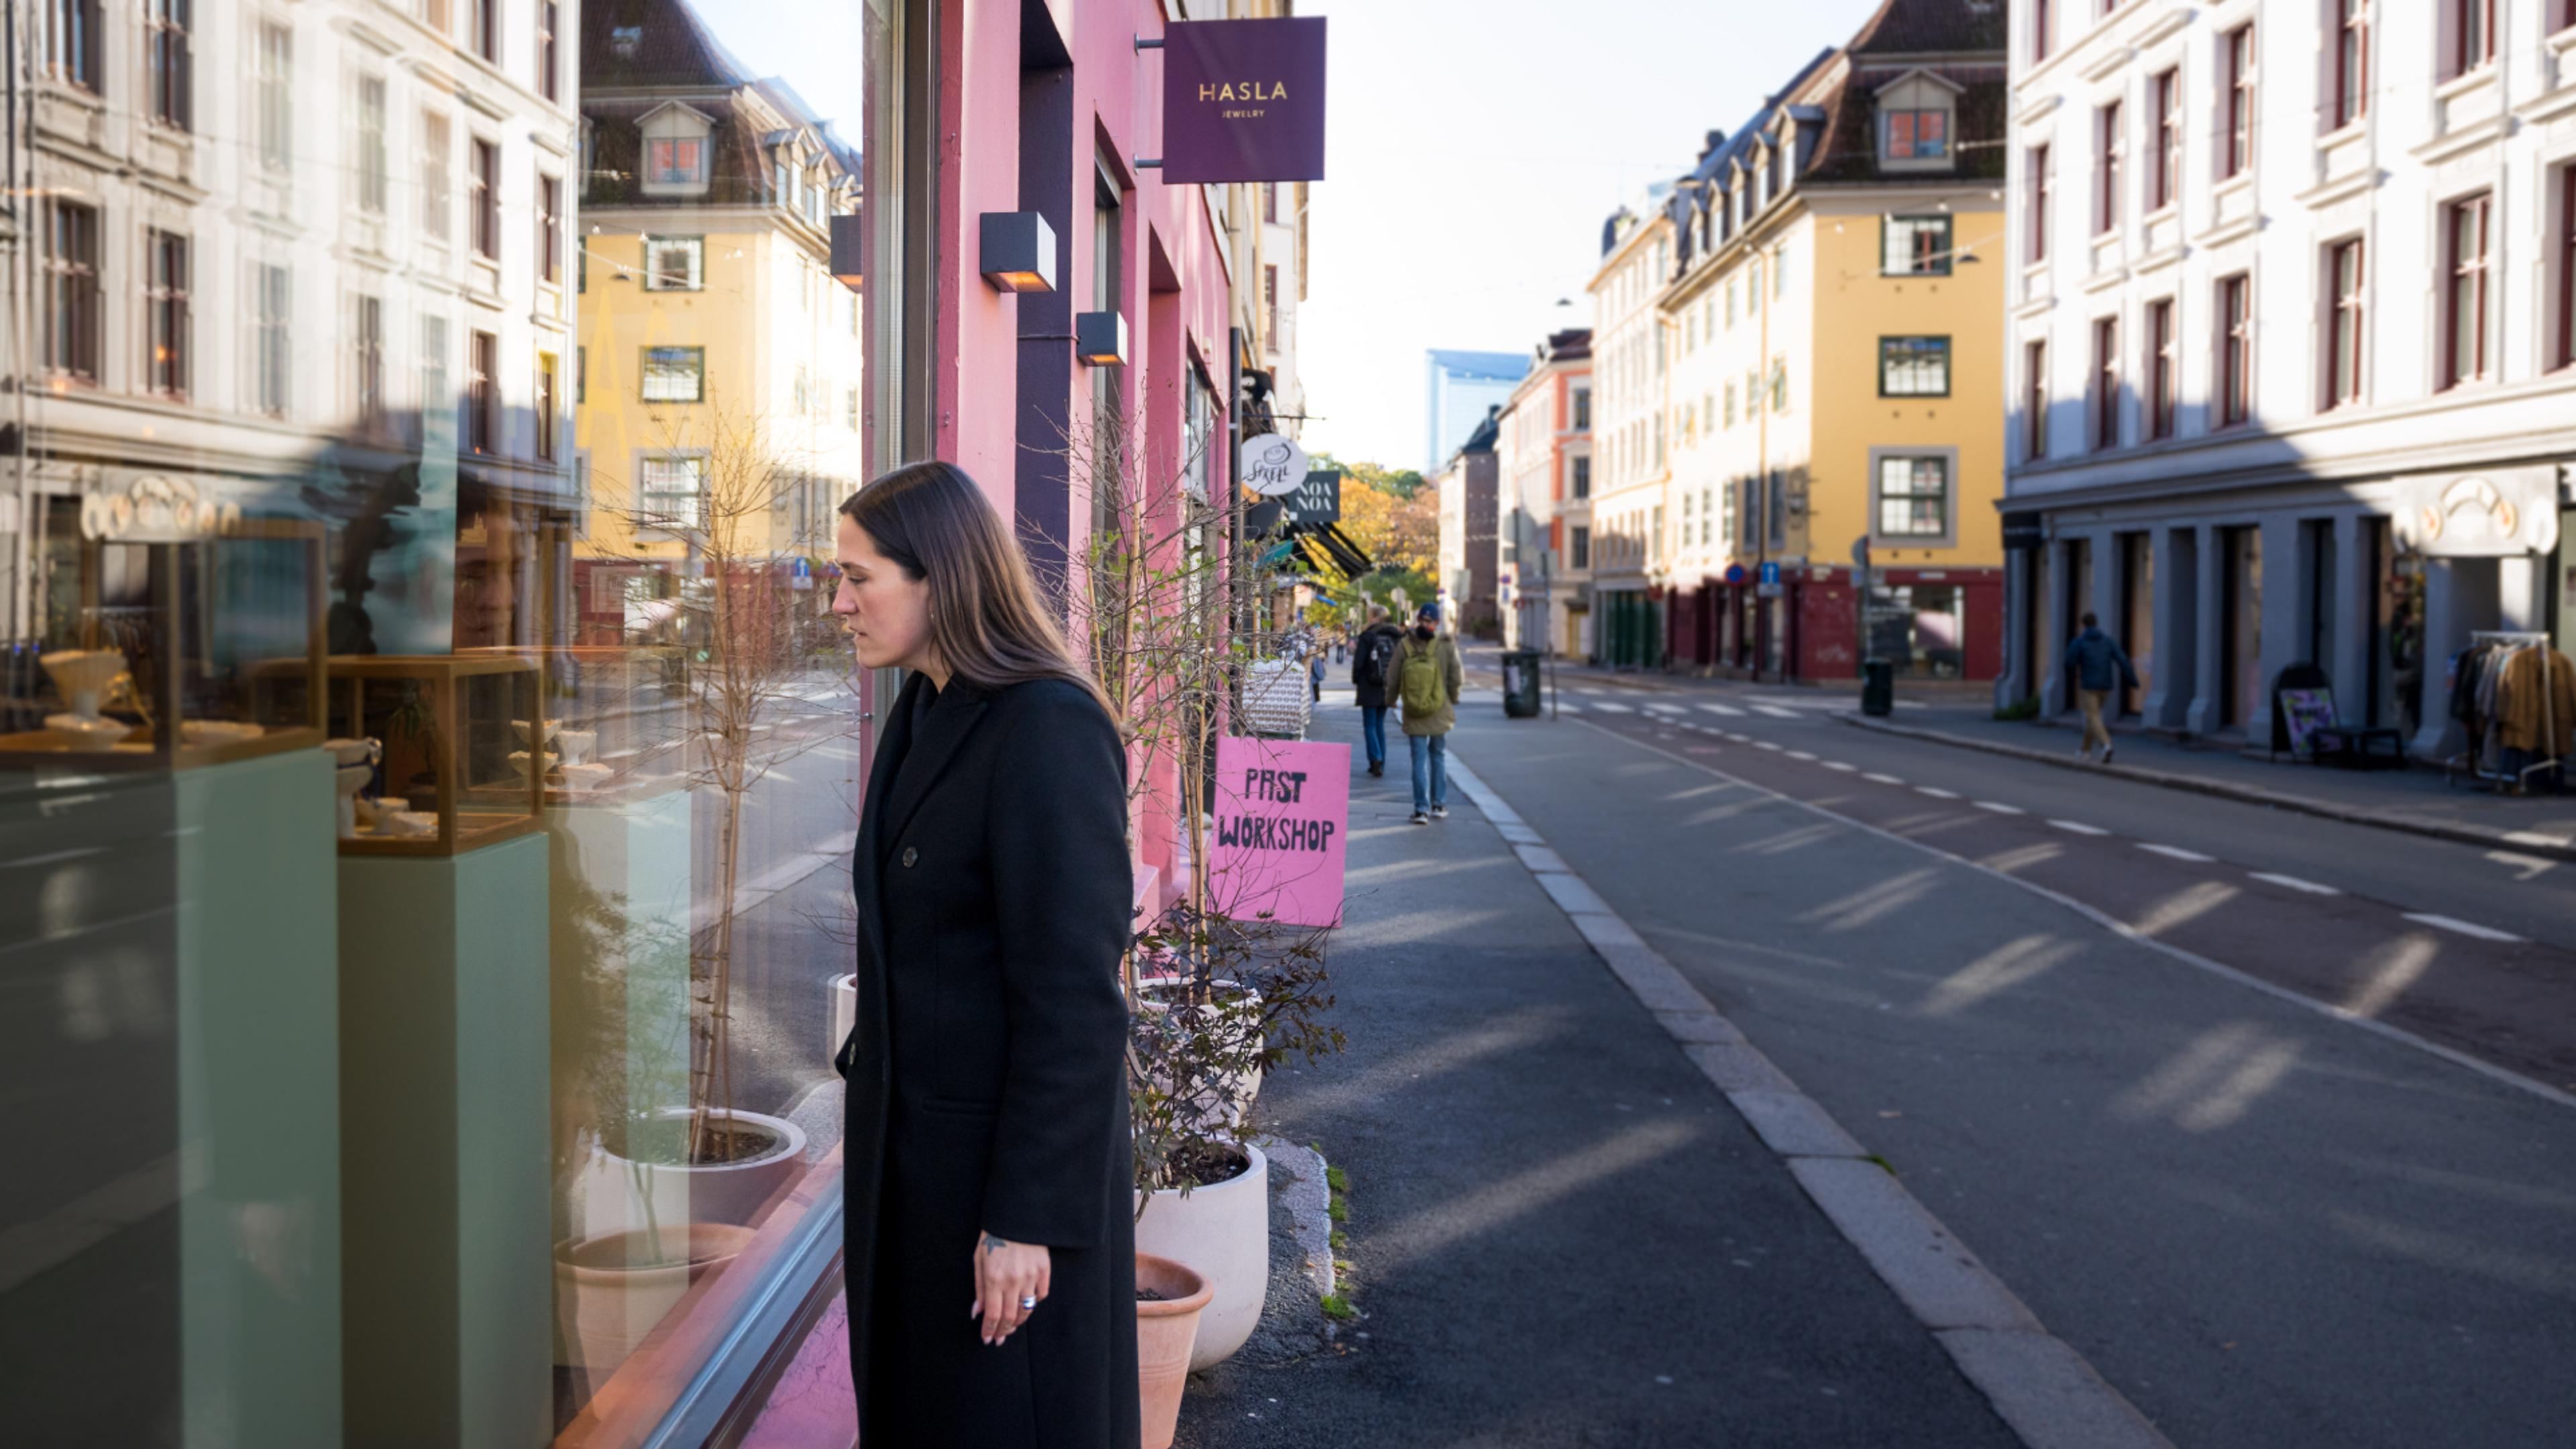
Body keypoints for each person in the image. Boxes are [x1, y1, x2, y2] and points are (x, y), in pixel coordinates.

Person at [829, 461, 1138, 1449]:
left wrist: (1023, 1220)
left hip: (994, 1200)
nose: (839, 602)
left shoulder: (1047, 726)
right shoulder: (922, 710)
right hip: (912, 1175)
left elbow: (1075, 1004)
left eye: (858, 576)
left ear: (939, 578)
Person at [1393, 602, 1463, 823]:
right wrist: (1453, 698)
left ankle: (1421, 809)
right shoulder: (1446, 644)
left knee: (1418, 759)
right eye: (1424, 621)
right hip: (1440, 709)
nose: (1424, 624)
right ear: (1438, 623)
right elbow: (1456, 676)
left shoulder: (1406, 644)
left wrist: (1391, 700)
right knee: (1438, 757)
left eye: (1426, 621)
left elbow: (1393, 676)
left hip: (1414, 710)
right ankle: (1439, 804)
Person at [2061, 611, 2139, 765]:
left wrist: (2074, 676)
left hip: (2089, 686)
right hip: (2106, 686)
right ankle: (2084, 751)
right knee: (2093, 717)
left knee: (2093, 717)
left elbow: (2068, 662)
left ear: (2083, 625)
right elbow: (2122, 660)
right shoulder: (2108, 641)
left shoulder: (2080, 642)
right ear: (2096, 623)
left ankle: (2106, 745)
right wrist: (2133, 680)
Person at [1350, 605, 1403, 777]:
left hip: (1369, 684)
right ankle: (1381, 761)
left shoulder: (1368, 636)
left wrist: (1357, 679)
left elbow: (1359, 663)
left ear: (1374, 618)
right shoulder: (1395, 636)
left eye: (1370, 616)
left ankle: (1375, 758)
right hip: (1387, 686)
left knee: (1370, 725)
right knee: (1380, 725)